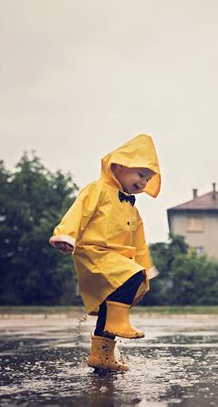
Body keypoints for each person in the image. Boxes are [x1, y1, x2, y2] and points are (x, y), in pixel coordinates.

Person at [49, 134, 161, 372]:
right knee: (130, 277)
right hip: (94, 252)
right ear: (119, 165)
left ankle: (101, 356)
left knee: (110, 305)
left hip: (115, 259)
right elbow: (79, 211)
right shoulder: (98, 189)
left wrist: (146, 267)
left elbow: (139, 241)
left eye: (148, 179)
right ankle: (118, 323)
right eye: (141, 175)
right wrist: (66, 235)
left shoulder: (132, 208)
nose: (143, 183)